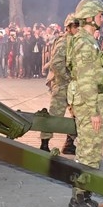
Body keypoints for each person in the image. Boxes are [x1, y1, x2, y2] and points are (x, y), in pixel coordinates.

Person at [66, 0, 103, 207]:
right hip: (88, 103)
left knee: (92, 149)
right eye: (100, 15)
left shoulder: (89, 40)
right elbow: (85, 80)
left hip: (91, 101)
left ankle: (85, 194)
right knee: (87, 149)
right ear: (90, 17)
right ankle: (79, 198)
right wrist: (93, 112)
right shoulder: (84, 43)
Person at [39, 14, 78, 154]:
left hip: (74, 86)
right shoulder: (63, 42)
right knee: (55, 116)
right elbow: (56, 64)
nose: (78, 29)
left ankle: (69, 143)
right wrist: (68, 78)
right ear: (68, 27)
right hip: (62, 84)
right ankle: (44, 144)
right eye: (75, 26)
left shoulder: (77, 41)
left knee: (78, 115)